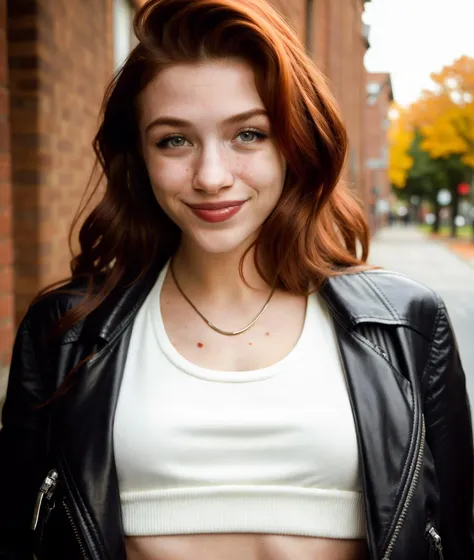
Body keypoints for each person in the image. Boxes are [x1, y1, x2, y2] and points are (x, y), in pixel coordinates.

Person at [0, 0, 473, 559]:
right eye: (174, 140)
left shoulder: (404, 324)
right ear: (139, 157)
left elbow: (454, 534)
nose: (211, 176)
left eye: (247, 134)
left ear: (296, 143)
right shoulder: (68, 330)